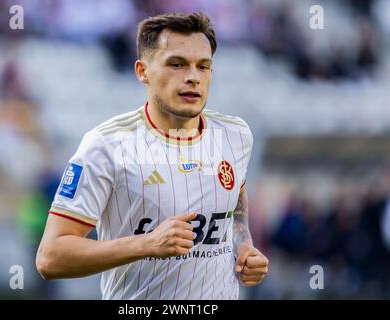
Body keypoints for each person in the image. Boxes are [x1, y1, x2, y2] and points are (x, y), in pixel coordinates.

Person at [36, 12, 268, 300]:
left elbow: (234, 208)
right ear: (142, 71)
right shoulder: (106, 145)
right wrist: (147, 243)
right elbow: (50, 257)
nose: (193, 77)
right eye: (176, 64)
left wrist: (243, 246)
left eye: (203, 66)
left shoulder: (236, 134)